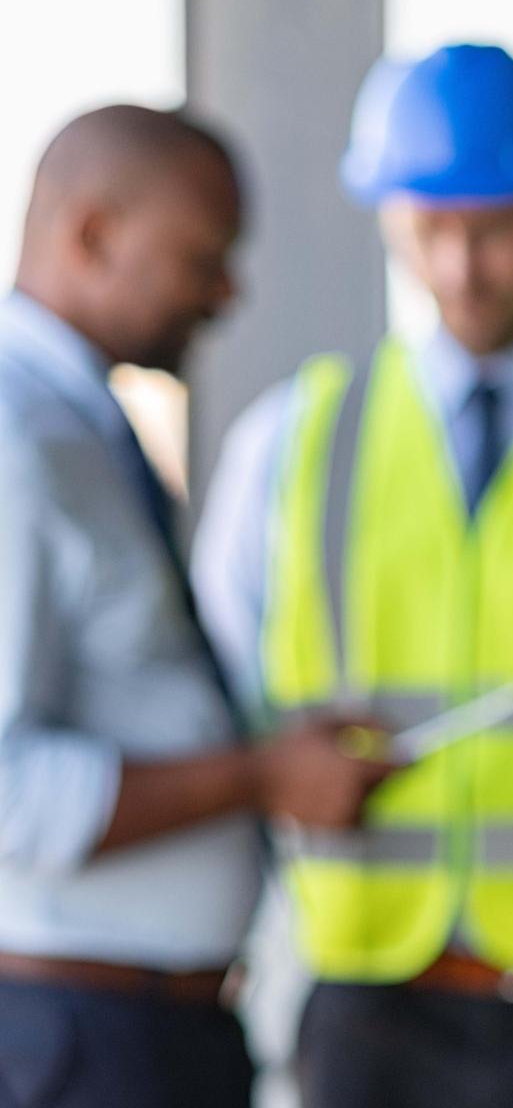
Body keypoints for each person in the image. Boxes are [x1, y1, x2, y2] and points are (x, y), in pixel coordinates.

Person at [193, 44, 513, 1106]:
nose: (461, 268)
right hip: (372, 1004)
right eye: (428, 230)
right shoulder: (294, 444)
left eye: (494, 230)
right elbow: (219, 728)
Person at [0, 105, 391, 1108]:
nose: (228, 292)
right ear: (93, 235)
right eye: (203, 258)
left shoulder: (78, 430)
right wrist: (258, 776)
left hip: (149, 1030)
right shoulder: (14, 444)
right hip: (80, 1039)